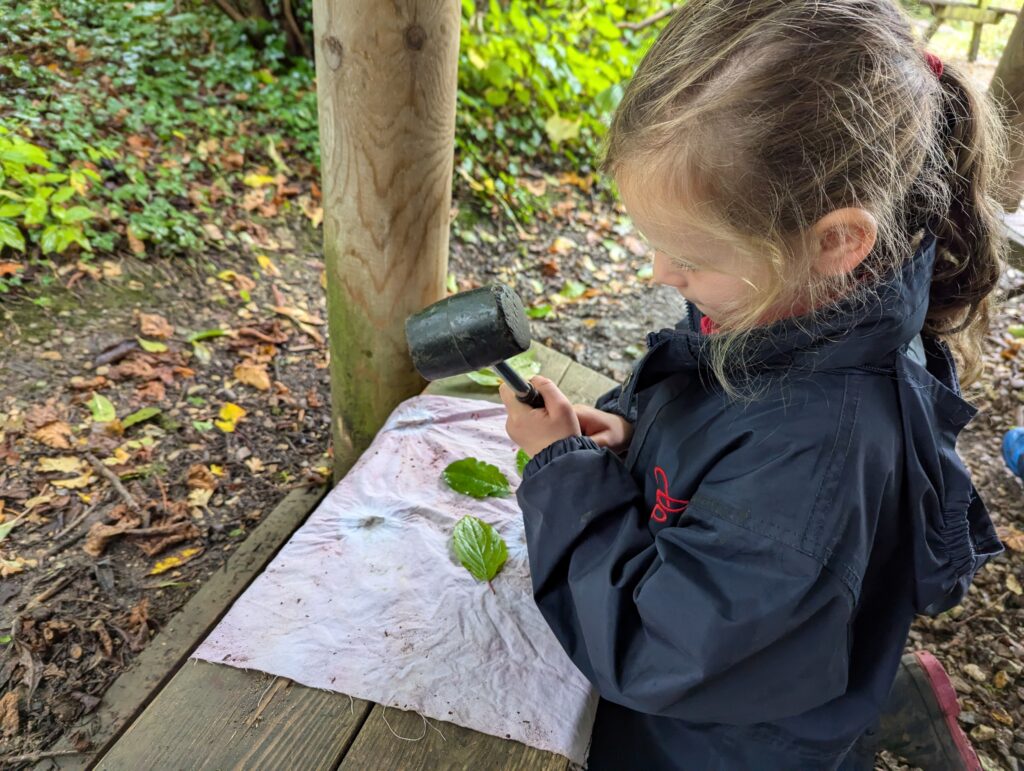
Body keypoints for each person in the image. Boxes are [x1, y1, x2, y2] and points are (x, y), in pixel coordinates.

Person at [497, 1, 1007, 768]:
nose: (662, 275)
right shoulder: (789, 307)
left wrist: (563, 480)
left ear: (835, 240)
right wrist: (637, 447)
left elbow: (657, 647)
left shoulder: (816, 451)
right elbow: (727, 452)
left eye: (687, 257)